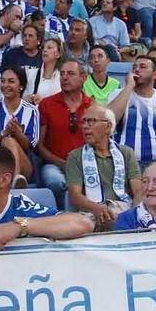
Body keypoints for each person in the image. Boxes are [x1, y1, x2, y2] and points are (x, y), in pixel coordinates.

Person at [65, 103, 140, 229]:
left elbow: (138, 191)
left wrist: (131, 215)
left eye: (91, 121)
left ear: (108, 126)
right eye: (83, 121)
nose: (85, 126)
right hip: (91, 211)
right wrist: (97, 209)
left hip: (124, 209)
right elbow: (74, 196)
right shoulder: (75, 156)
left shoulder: (126, 152)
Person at [108, 55, 156, 167]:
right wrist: (129, 87)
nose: (137, 69)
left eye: (143, 67)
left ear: (155, 75)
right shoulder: (117, 94)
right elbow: (109, 121)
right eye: (134, 67)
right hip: (123, 162)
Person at [37, 58, 92, 203]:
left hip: (85, 165)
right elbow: (39, 145)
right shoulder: (46, 104)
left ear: (83, 78)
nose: (65, 77)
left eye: (70, 74)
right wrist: (62, 163)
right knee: (55, 181)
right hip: (54, 165)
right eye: (62, 74)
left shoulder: (92, 107)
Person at [0, 66, 40, 183]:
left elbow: (30, 147)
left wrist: (17, 132)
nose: (5, 85)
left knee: (9, 141)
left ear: (21, 86)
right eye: (3, 81)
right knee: (6, 139)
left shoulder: (31, 110)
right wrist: (4, 133)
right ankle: (13, 182)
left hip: (24, 165)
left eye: (11, 81)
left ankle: (14, 180)